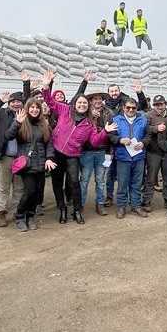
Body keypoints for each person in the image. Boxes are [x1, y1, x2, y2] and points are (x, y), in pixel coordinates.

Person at [42, 68, 115, 224]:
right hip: (56, 153)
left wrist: (105, 132)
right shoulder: (65, 110)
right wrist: (46, 87)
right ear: (75, 104)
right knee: (56, 183)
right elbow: (50, 102)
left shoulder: (90, 123)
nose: (82, 105)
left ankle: (76, 211)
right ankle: (62, 209)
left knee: (74, 182)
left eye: (84, 103)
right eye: (79, 102)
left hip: (72, 156)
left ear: (87, 106)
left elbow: (95, 141)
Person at [5, 98, 56, 231]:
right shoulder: (21, 123)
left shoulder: (43, 124)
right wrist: (17, 123)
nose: (34, 110)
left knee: (37, 193)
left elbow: (49, 143)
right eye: (32, 107)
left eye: (37, 107)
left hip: (41, 163)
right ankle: (20, 216)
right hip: (27, 164)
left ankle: (31, 216)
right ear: (27, 109)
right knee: (29, 191)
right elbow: (8, 136)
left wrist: (49, 158)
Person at [0, 88, 27, 228]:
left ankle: (17, 211)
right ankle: (1, 211)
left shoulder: (26, 116)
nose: (15, 104)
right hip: (4, 157)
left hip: (20, 158)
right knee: (3, 186)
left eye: (18, 102)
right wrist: (0, 102)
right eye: (12, 101)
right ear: (8, 103)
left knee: (19, 187)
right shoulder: (2, 113)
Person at [111, 97, 150, 218]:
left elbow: (148, 135)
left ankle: (136, 206)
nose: (131, 109)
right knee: (122, 183)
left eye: (133, 107)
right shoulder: (116, 120)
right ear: (123, 108)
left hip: (139, 157)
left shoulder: (143, 119)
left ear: (136, 108)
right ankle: (121, 207)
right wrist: (120, 140)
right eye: (128, 107)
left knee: (137, 183)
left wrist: (143, 142)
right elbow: (110, 136)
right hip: (123, 156)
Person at [79, 88, 114, 215]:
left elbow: (113, 132)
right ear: (90, 101)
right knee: (84, 180)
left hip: (102, 151)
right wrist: (90, 118)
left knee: (100, 180)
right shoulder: (84, 112)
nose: (98, 101)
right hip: (86, 152)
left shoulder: (108, 113)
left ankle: (99, 204)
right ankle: (81, 204)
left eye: (100, 99)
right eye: (95, 99)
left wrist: (111, 152)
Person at [143, 94, 167, 211]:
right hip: (153, 151)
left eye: (161, 104)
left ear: (165, 104)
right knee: (151, 177)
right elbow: (144, 128)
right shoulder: (149, 115)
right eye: (156, 105)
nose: (159, 107)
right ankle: (147, 201)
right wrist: (156, 128)